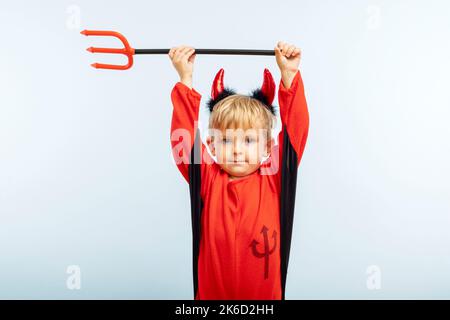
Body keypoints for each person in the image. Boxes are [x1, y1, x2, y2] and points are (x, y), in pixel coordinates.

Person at [168, 41, 309, 300]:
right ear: (210, 144)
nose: (236, 150)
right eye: (226, 140)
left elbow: (295, 134)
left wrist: (289, 77)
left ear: (267, 146)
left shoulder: (274, 177)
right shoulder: (206, 178)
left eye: (248, 140)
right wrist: (185, 79)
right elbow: (183, 140)